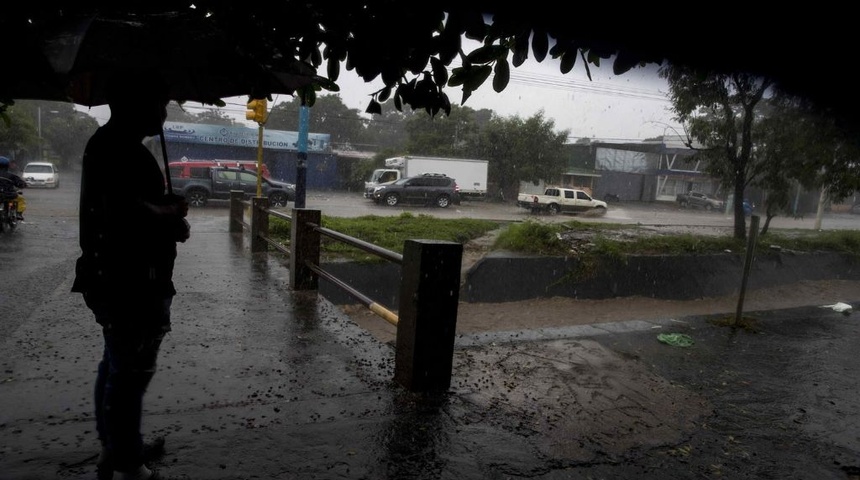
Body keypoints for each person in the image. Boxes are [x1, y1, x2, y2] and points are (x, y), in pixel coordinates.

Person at [71, 69, 190, 480]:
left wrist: (168, 215)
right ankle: (129, 463)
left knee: (118, 362)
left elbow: (135, 206)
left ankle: (116, 445)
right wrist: (171, 213)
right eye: (159, 103)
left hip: (123, 277)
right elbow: (125, 213)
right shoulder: (118, 148)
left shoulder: (110, 145)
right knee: (132, 369)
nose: (164, 114)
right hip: (130, 281)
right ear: (132, 104)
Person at [0, 156, 27, 220]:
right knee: (21, 199)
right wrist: (23, 185)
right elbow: (20, 183)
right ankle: (19, 214)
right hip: (9, 195)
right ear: (7, 166)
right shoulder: (11, 175)